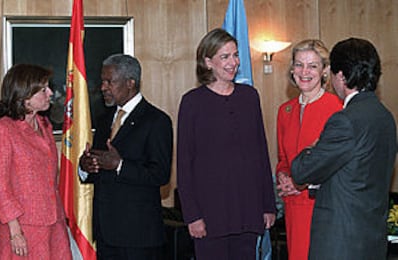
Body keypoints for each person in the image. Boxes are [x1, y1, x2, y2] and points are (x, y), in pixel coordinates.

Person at [291, 38, 397, 259]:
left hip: (340, 244)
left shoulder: (345, 121)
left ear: (340, 76)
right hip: (372, 241)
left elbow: (301, 171)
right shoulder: (386, 117)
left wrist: (314, 145)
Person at [177, 28, 276, 259]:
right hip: (210, 215)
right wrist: (192, 215)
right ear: (208, 62)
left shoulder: (250, 97)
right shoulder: (192, 102)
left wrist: (268, 206)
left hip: (248, 211)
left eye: (235, 55)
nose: (233, 62)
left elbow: (261, 153)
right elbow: (184, 163)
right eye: (225, 57)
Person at [79, 54, 173, 260]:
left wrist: (120, 165)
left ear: (130, 83)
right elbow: (100, 165)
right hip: (106, 233)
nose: (103, 87)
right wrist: (86, 166)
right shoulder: (105, 121)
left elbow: (160, 175)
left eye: (109, 82)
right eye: (102, 81)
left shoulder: (156, 121)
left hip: (138, 237)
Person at [0, 64, 72, 259]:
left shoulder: (44, 125)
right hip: (23, 228)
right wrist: (15, 232)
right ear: (24, 97)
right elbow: (2, 187)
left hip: (55, 223)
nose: (51, 93)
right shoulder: (3, 130)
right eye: (43, 89)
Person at [275, 39, 343, 260]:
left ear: (325, 70)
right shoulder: (284, 111)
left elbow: (340, 166)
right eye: (299, 64)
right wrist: (284, 176)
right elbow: (284, 159)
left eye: (312, 65)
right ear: (292, 69)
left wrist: (301, 183)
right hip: (292, 208)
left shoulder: (337, 109)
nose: (304, 71)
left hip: (322, 207)